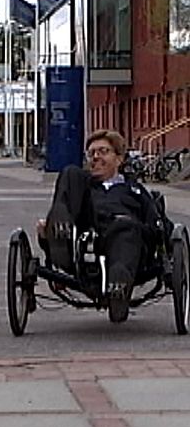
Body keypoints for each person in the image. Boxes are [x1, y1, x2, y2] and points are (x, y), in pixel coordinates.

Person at [38, 129, 167, 322]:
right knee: (71, 173)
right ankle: (60, 234)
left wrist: (164, 241)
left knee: (125, 228)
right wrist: (45, 231)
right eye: (91, 153)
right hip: (87, 234)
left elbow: (159, 226)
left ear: (119, 159)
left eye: (103, 151)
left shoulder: (135, 190)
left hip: (125, 234)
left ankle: (119, 287)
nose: (96, 157)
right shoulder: (84, 186)